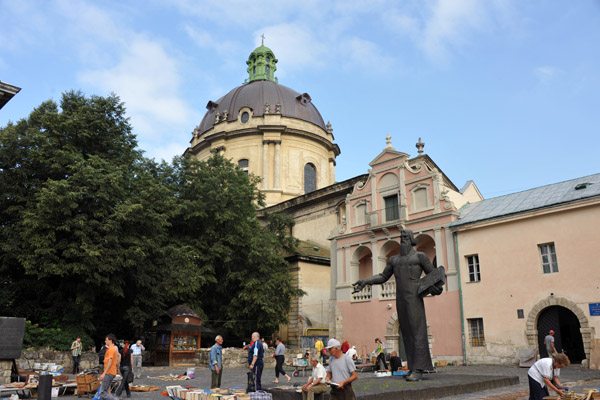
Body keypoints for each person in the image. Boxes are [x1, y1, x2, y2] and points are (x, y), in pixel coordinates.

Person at [353, 229, 443, 382]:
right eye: (401, 237)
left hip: (415, 297)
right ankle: (412, 367)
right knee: (407, 334)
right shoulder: (394, 260)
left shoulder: (420, 256)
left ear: (412, 239)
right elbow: (383, 276)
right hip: (400, 298)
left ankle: (419, 369)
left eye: (406, 237)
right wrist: (365, 281)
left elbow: (434, 274)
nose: (403, 240)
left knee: (417, 332)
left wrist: (435, 287)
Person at [98, 334, 119, 400]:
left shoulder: (112, 349)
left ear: (110, 340)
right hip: (109, 372)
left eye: (106, 340)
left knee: (102, 393)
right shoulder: (109, 349)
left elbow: (110, 362)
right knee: (105, 391)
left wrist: (104, 374)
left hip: (109, 373)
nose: (105, 341)